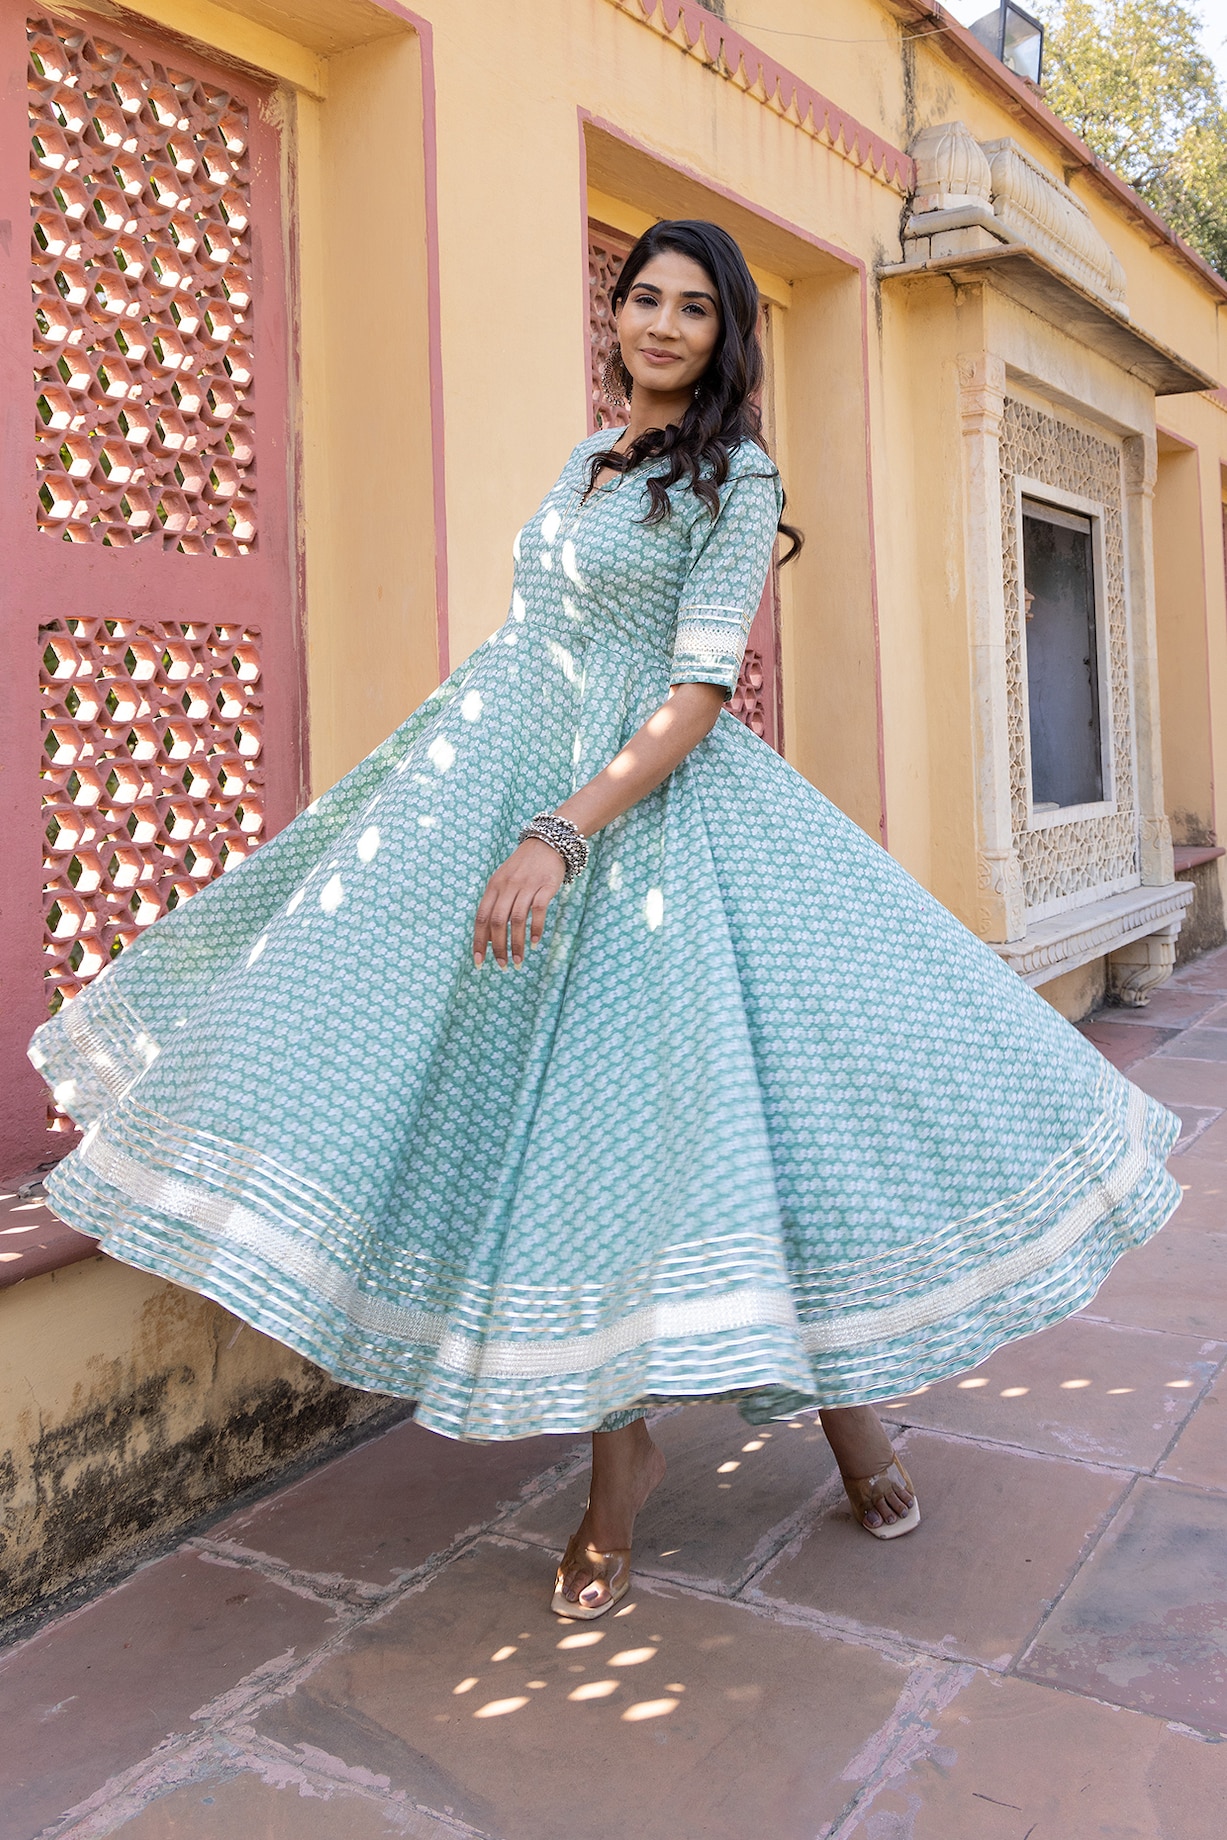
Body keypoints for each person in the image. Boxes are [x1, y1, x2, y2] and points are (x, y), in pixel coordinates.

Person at [31, 220, 1180, 1622]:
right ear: (619, 311)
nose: (662, 324)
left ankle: (833, 1426)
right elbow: (539, 639)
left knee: (761, 1131)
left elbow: (696, 693)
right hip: (507, 782)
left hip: (652, 827)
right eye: (645, 297)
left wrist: (564, 830)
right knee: (579, 1152)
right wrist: (459, 786)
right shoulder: (589, 456)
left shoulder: (736, 477)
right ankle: (630, 1472)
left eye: (695, 309)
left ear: (726, 333)